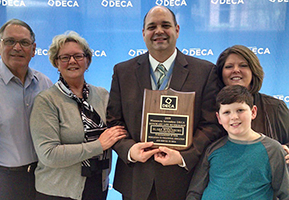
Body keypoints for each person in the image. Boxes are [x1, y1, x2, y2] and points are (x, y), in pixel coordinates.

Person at [106, 6, 223, 200]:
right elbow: (114, 121)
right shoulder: (122, 72)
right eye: (152, 26)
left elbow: (211, 124)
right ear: (143, 33)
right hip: (136, 181)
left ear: (177, 30)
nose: (159, 31)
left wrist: (185, 157)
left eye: (165, 25)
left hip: (185, 181)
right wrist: (129, 150)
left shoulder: (205, 72)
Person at [30, 31, 126, 200]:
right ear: (56, 63)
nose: (72, 61)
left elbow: (116, 130)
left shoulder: (102, 95)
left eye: (78, 56)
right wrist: (98, 145)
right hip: (58, 191)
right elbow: (49, 154)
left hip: (97, 186)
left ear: (87, 61)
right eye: (65, 57)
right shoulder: (46, 101)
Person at [187, 85, 289, 200]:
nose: (234, 117)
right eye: (226, 112)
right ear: (219, 118)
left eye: (240, 110)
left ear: (253, 112)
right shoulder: (212, 149)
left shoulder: (273, 150)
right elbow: (195, 192)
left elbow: (285, 193)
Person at [0, 19, 52, 200]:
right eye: (10, 41)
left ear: (33, 50)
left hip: (43, 176)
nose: (17, 47)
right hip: (2, 180)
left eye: (24, 43)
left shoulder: (45, 83)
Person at [216, 45, 289, 163]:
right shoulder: (210, 106)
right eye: (229, 66)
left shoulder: (275, 107)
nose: (235, 70)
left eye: (243, 65)